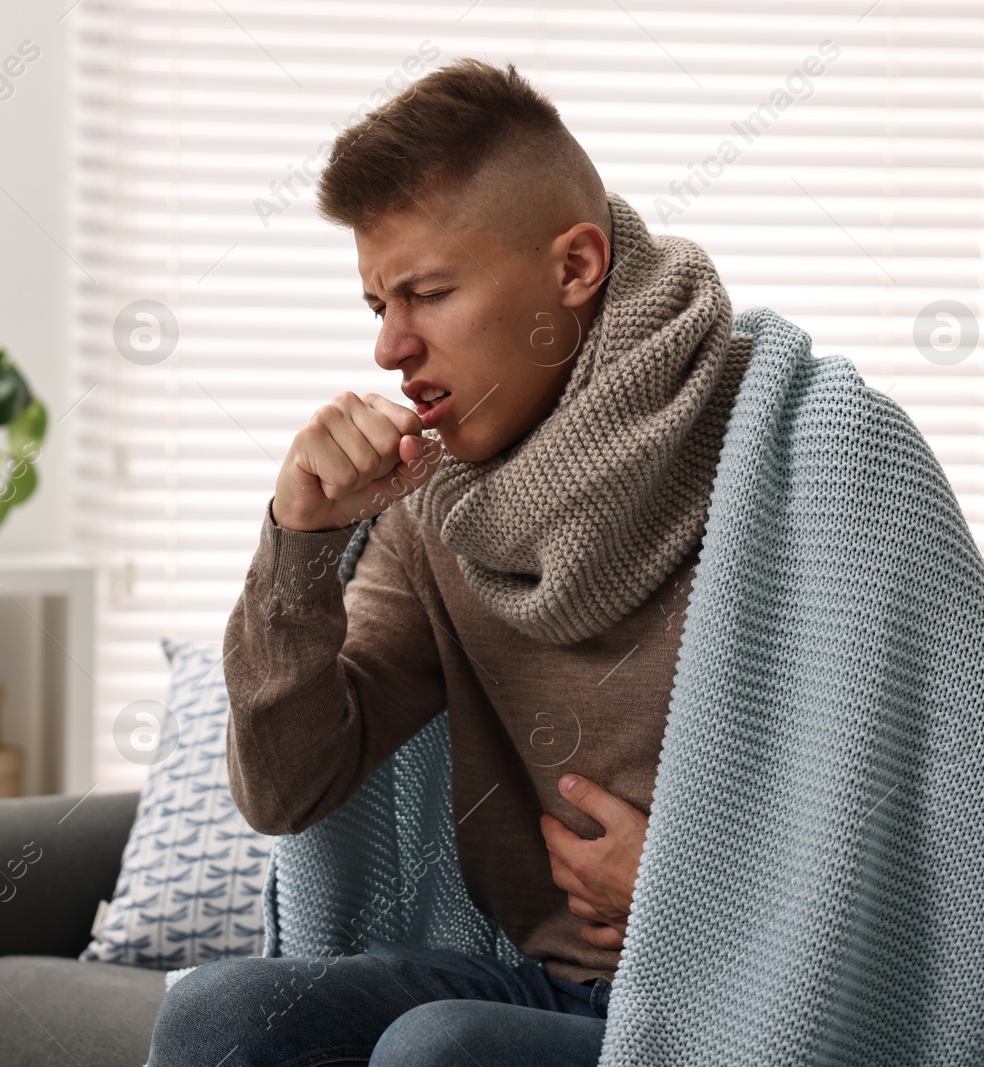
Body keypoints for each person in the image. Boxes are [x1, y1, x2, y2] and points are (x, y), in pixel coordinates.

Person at [148, 55, 752, 1066]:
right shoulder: (440, 505)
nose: (389, 348)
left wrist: (697, 886)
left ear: (573, 268)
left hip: (770, 998)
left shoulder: (792, 448)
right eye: (376, 304)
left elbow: (964, 815)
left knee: (442, 1048)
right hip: (559, 991)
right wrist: (297, 543)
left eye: (425, 293)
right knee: (218, 1013)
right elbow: (284, 788)